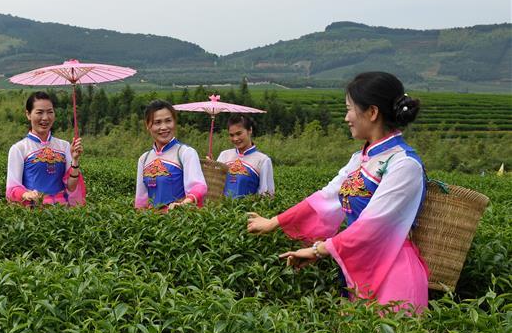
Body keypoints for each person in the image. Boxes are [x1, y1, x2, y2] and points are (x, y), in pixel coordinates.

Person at [247, 71, 428, 313]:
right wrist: (274, 222)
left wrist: (318, 249)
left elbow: (372, 226)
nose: (346, 118)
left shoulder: (403, 163)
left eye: (350, 108)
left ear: (372, 113)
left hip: (394, 271)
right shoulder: (361, 159)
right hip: (360, 265)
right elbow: (326, 198)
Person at [6, 91, 85, 206]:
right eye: (39, 112)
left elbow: (71, 187)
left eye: (50, 112)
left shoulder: (64, 146)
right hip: (35, 211)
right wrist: (26, 194)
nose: (45, 118)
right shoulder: (19, 149)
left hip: (62, 210)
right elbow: (12, 188)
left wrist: (75, 160)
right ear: (28, 114)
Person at [135, 100, 207, 210]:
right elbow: (141, 200)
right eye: (157, 122)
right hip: (152, 222)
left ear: (174, 122)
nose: (164, 127)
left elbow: (199, 186)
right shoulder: (144, 159)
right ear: (148, 125)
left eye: (168, 121)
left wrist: (183, 204)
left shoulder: (185, 153)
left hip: (179, 221)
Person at [215, 113, 274, 197]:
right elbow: (215, 184)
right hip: (222, 208)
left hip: (247, 209)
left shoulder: (262, 160)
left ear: (250, 130)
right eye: (231, 135)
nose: (235, 139)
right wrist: (210, 167)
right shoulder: (224, 155)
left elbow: (266, 194)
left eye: (239, 133)